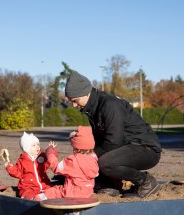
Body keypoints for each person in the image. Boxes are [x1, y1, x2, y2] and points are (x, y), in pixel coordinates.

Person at [64, 70, 162, 198]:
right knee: (93, 156)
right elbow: (100, 141)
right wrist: (79, 140)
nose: (73, 105)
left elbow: (113, 142)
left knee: (104, 162)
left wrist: (86, 158)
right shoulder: (92, 108)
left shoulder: (110, 104)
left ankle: (146, 182)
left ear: (86, 93)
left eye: (75, 100)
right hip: (127, 146)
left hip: (145, 148)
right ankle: (110, 185)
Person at [34, 126, 99, 201]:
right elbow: (83, 143)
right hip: (87, 193)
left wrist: (50, 154)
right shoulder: (93, 158)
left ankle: (35, 200)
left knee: (55, 191)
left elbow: (57, 168)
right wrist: (73, 138)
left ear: (76, 147)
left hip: (72, 194)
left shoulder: (73, 161)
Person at [4, 132, 52, 200]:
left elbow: (48, 163)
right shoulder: (23, 160)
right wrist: (10, 168)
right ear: (27, 148)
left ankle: (45, 198)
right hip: (28, 186)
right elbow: (18, 173)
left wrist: (51, 152)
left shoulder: (42, 156)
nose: (37, 147)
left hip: (43, 184)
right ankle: (34, 199)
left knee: (52, 191)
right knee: (28, 194)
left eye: (38, 144)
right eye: (34, 145)